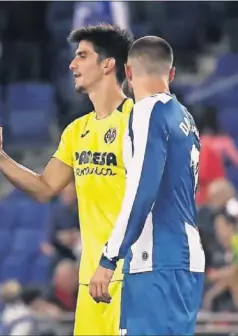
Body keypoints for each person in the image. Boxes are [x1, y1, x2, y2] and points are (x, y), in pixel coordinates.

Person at [0, 24, 134, 335]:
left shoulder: (139, 122)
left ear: (107, 64)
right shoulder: (76, 131)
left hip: (133, 276)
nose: (72, 64)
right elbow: (45, 188)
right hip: (90, 279)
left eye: (82, 56)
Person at [91, 36, 205, 335]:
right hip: (179, 256)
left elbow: (143, 188)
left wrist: (109, 256)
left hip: (158, 259)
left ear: (127, 72)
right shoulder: (186, 119)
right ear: (172, 74)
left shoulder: (147, 112)